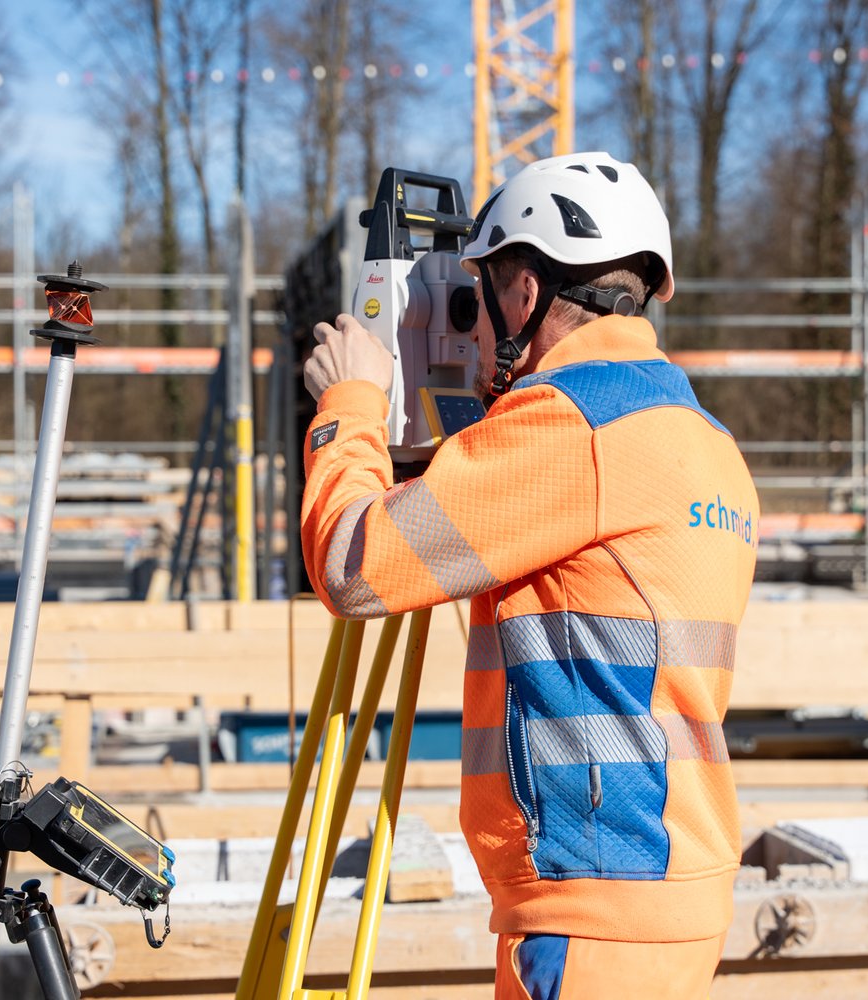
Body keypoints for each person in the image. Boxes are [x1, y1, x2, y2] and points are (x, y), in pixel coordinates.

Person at [301, 152, 759, 999]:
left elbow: (352, 567)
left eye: (480, 298)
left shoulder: (570, 428)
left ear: (525, 293)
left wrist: (351, 408)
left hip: (592, 910)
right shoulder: (699, 436)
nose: (472, 327)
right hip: (670, 891)